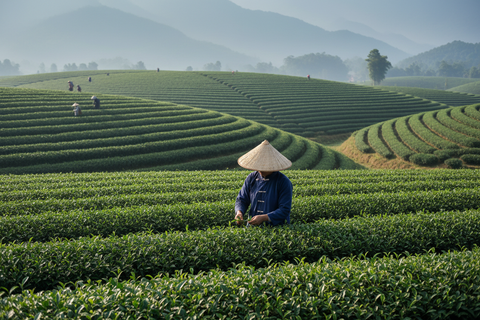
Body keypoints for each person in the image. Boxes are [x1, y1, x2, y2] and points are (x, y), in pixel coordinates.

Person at [235, 140, 293, 227]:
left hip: (276, 229)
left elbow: (284, 209)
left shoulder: (283, 182)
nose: (260, 169)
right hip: (253, 227)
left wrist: (265, 217)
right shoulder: (251, 178)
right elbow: (242, 199)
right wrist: (239, 212)